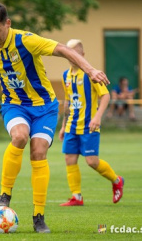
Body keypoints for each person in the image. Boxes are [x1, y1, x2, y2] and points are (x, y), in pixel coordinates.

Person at [0, 3, 110, 233]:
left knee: (38, 151)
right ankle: (4, 195)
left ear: (8, 24)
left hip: (44, 107)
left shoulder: (26, 40)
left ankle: (38, 216)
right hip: (15, 105)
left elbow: (64, 50)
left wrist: (90, 70)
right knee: (19, 136)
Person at [58, 39, 124, 207]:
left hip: (89, 125)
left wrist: (98, 117)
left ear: (82, 55)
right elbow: (68, 101)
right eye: (69, 53)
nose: (72, 57)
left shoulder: (91, 73)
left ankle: (116, 180)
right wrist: (64, 125)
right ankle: (76, 197)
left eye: (75, 53)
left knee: (92, 162)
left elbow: (106, 95)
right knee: (69, 158)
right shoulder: (66, 75)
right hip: (72, 125)